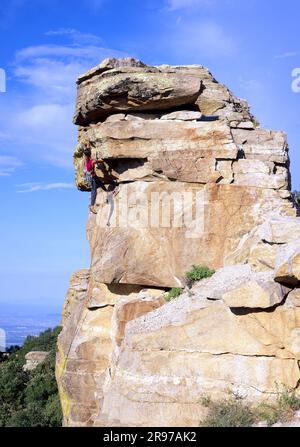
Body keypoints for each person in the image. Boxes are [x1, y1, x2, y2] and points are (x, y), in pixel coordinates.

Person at [84, 147, 110, 214]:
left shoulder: (86, 160)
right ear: (90, 154)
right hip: (92, 178)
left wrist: (88, 144)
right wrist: (103, 160)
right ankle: (92, 206)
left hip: (91, 176)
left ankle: (107, 191)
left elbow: (87, 149)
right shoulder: (92, 161)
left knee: (100, 183)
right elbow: (100, 161)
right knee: (94, 191)